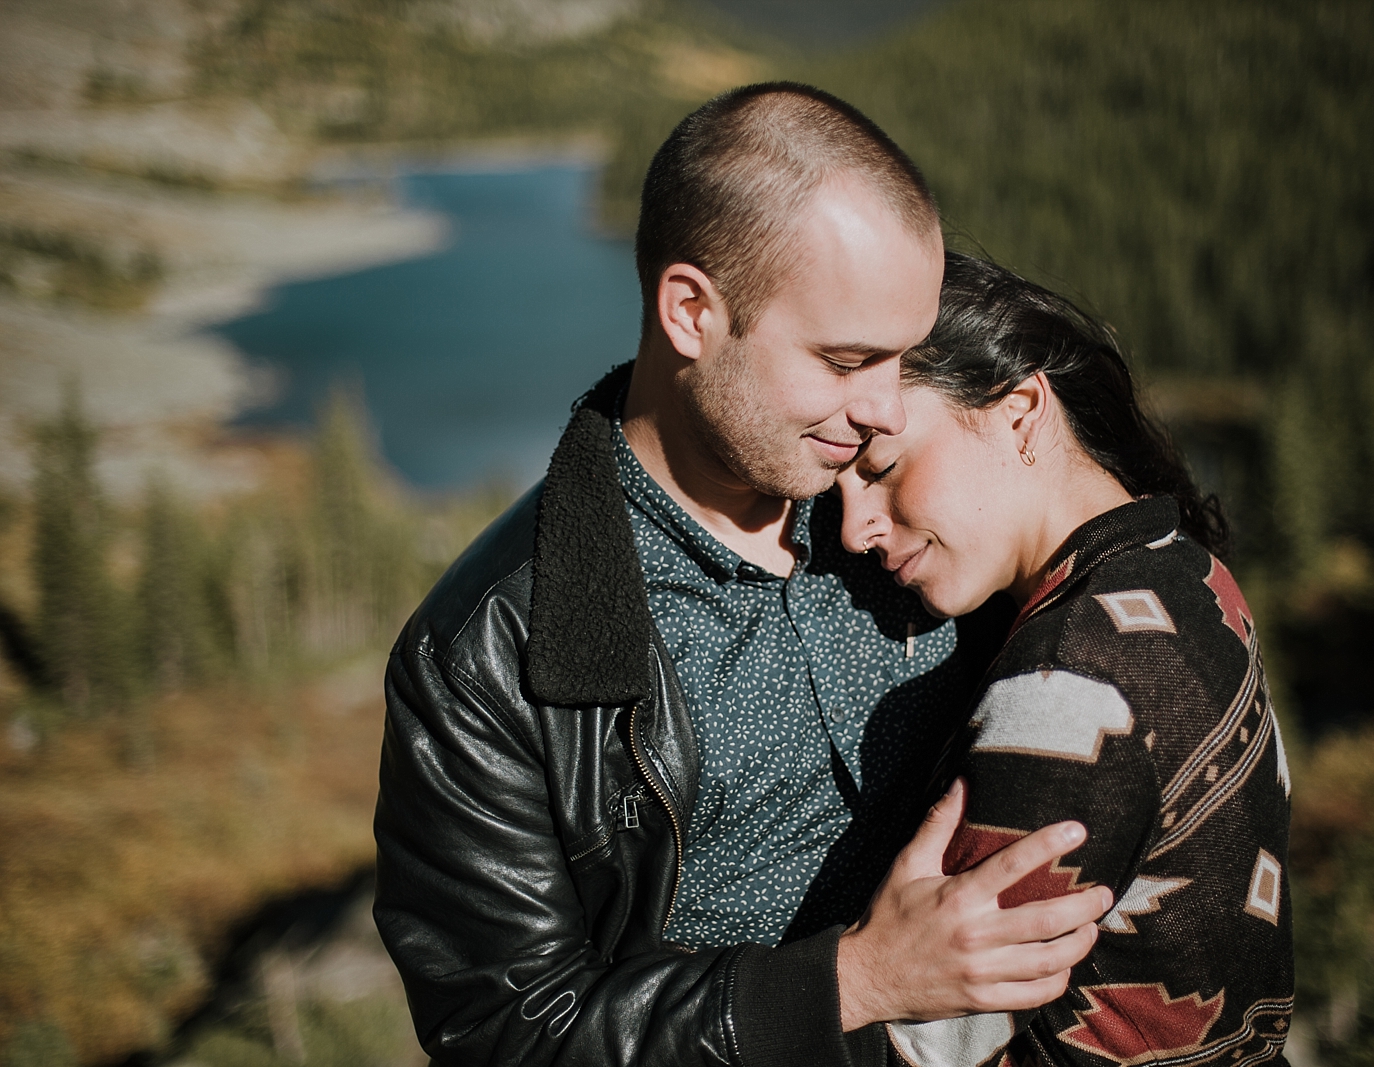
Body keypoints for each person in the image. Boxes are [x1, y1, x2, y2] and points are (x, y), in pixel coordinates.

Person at [372, 86, 1111, 1067]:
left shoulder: (914, 504)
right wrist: (860, 978)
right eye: (846, 359)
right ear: (691, 312)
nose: (887, 410)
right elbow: (506, 1032)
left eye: (901, 357)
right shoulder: (484, 653)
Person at [836, 253, 1296, 1066]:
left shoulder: (1065, 684)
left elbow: (932, 1042)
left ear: (1020, 411)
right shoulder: (1188, 566)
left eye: (883, 468)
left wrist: (850, 977)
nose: (856, 528)